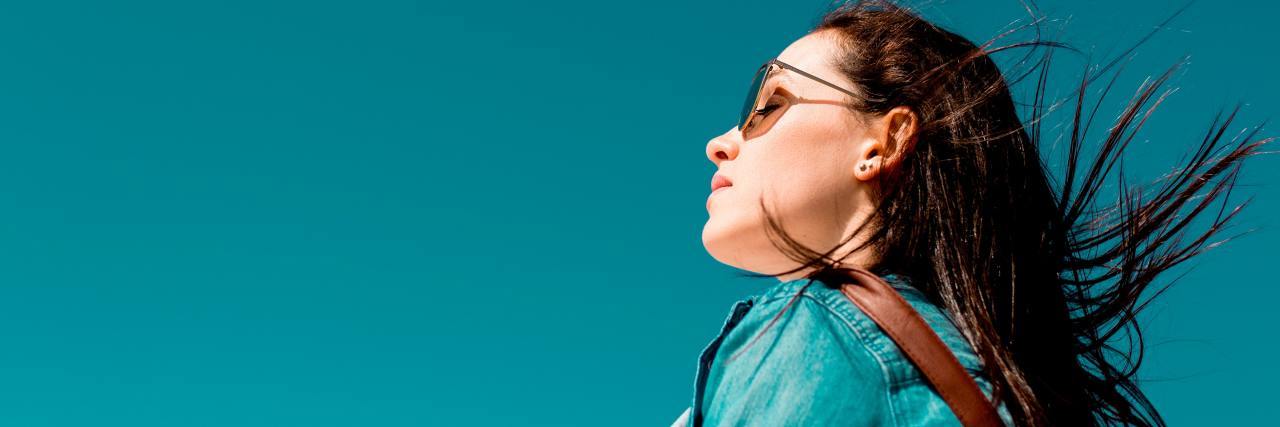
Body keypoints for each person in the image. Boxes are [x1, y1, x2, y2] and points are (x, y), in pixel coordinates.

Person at [676, 1, 1270, 426]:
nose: (722, 142)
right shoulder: (989, 376)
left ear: (883, 143)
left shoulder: (815, 335)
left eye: (769, 104)